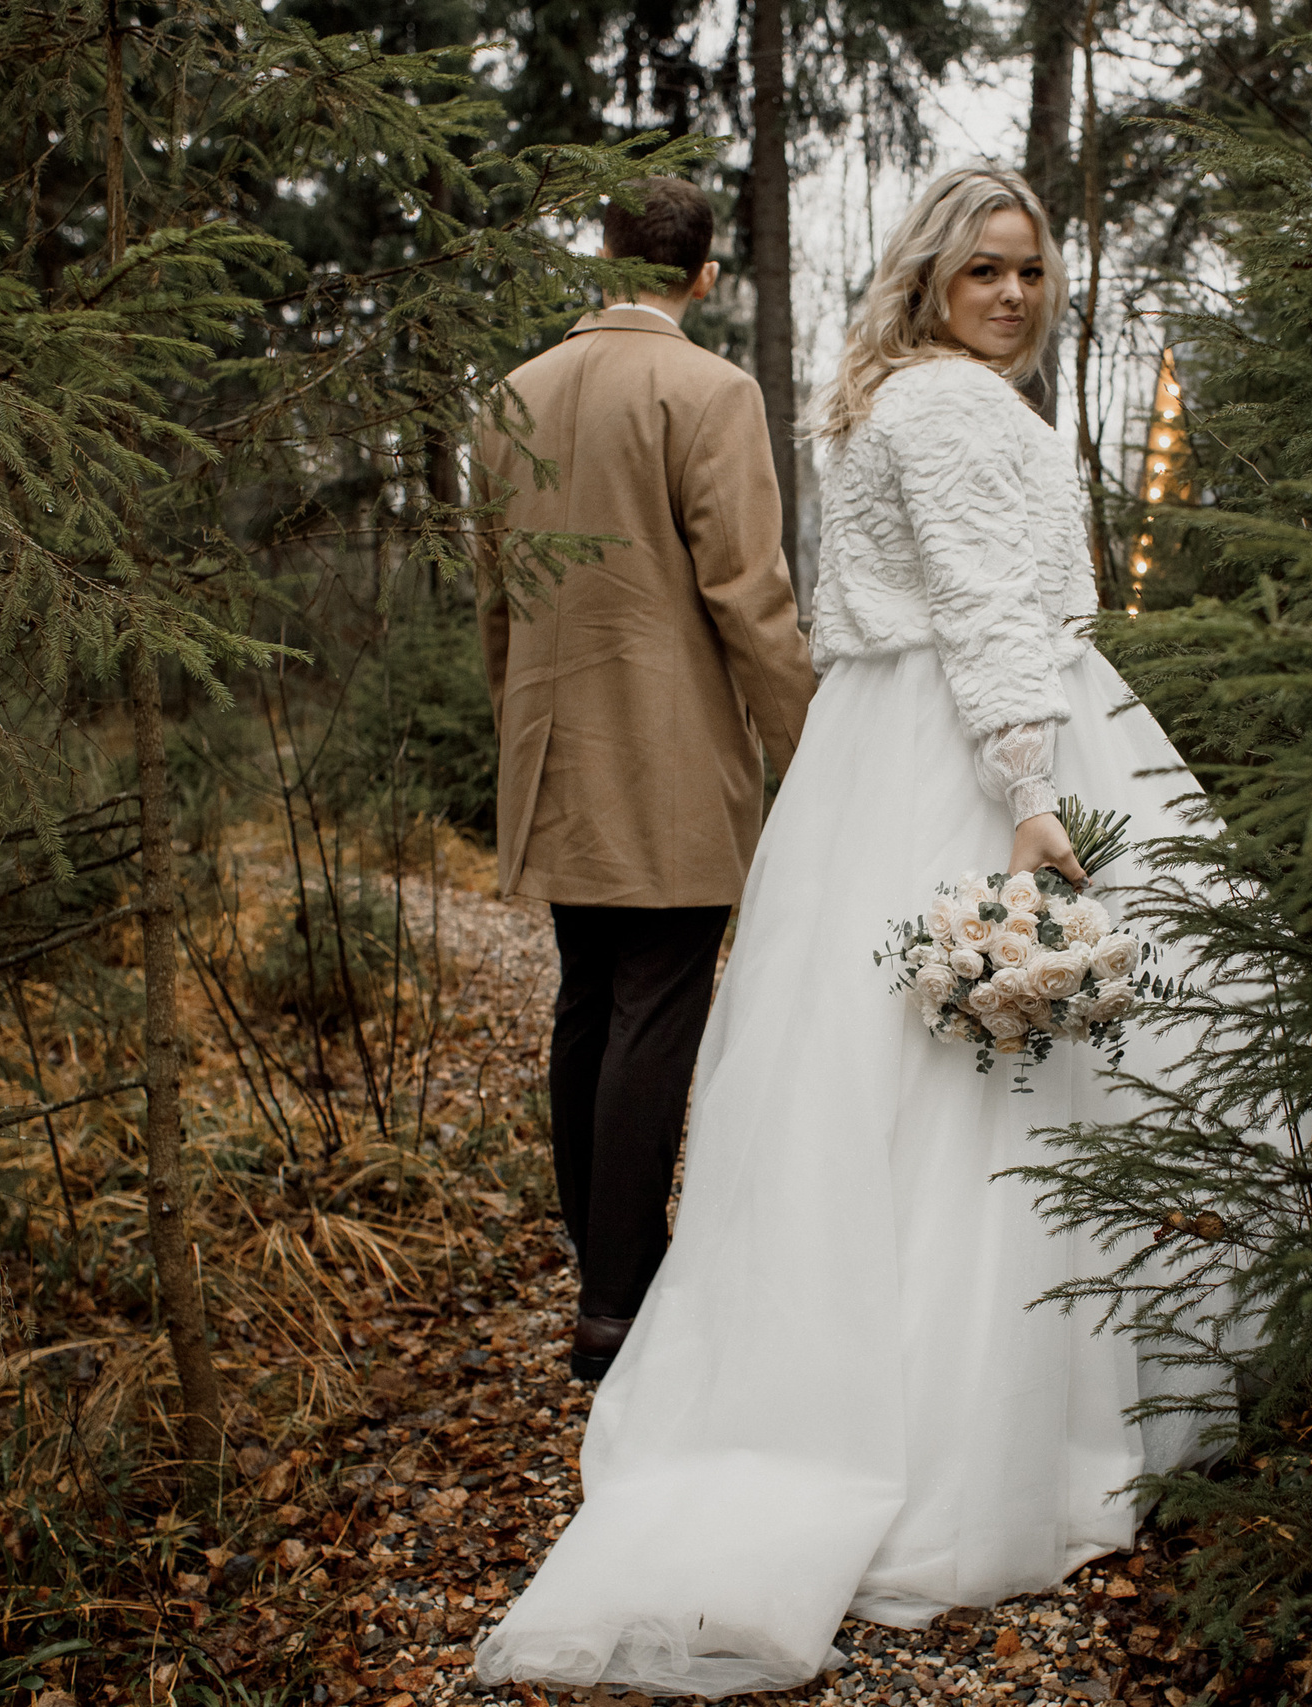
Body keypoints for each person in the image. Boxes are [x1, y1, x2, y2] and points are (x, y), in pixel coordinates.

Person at [475, 165, 1233, 1699]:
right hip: (945, 749)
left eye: (1030, 269)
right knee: (966, 1076)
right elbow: (933, 602)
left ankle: (643, 1297)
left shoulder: (584, 392)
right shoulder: (918, 405)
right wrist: (1019, 786)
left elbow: (517, 593)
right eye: (985, 268)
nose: (1013, 292)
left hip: (757, 743)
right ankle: (960, 1418)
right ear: (930, 273)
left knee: (778, 1055)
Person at [471, 174, 814, 1383]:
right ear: (704, 277)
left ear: (603, 258)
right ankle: (617, 1301)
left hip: (554, 748)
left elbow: (496, 599)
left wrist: (517, 729)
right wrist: (810, 747)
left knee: (587, 1000)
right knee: (654, 1011)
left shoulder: (510, 395)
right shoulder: (711, 391)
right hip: (670, 762)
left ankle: (600, 1262)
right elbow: (749, 596)